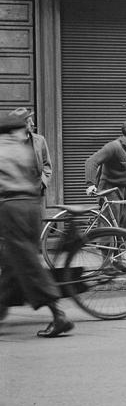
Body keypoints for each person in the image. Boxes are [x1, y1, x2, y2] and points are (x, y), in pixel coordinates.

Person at [0, 114, 73, 338]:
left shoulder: (3, 149)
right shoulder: (23, 149)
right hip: (31, 206)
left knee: (26, 262)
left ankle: (59, 315)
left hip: (12, 209)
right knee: (15, 262)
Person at [8, 107, 52, 199]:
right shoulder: (7, 143)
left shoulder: (40, 140)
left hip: (37, 193)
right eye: (28, 121)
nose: (33, 124)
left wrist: (43, 183)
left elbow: (46, 165)